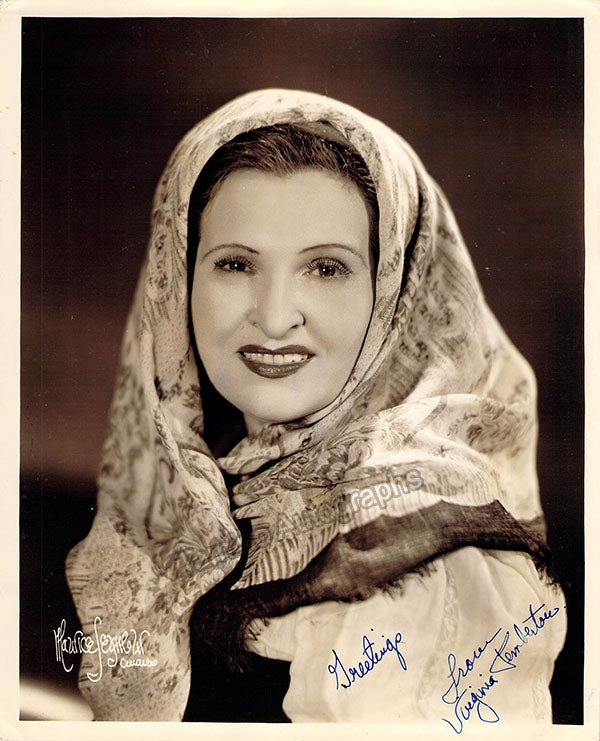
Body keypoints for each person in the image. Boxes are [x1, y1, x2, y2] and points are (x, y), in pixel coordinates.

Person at [65, 89, 566, 725]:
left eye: (326, 268)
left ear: (392, 292)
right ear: (178, 280)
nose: (275, 318)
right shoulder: (205, 486)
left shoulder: (415, 542)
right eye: (236, 264)